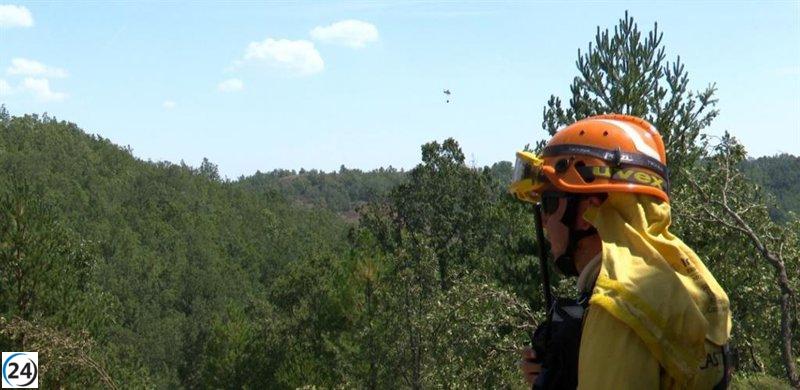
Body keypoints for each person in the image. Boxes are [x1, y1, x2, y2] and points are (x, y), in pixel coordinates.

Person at [508, 114, 732, 389]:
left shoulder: (616, 308)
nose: (544, 221)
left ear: (586, 214)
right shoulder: (690, 283)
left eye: (549, 204)